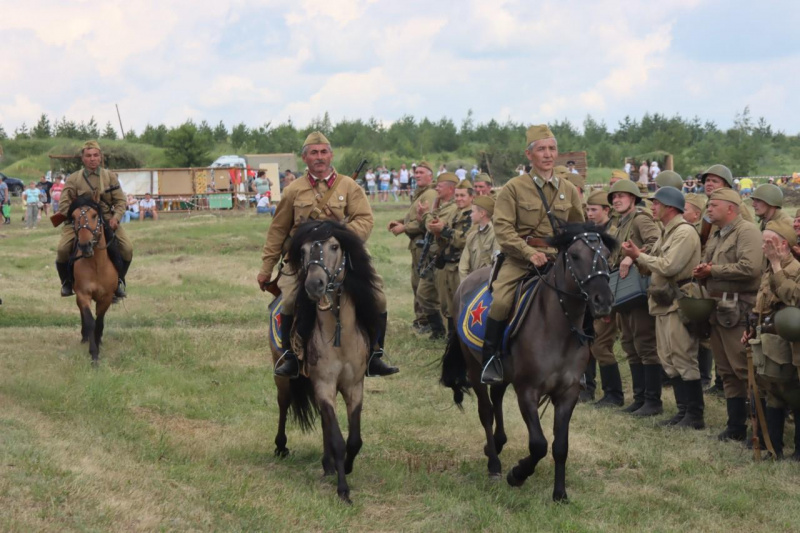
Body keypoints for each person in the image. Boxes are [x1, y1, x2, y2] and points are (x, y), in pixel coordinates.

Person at [257, 131, 397, 379]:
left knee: (378, 298)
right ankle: (290, 356)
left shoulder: (349, 186)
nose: (319, 157)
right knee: (288, 301)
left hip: (341, 260)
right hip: (303, 261)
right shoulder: (293, 191)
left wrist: (340, 235)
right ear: (305, 157)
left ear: (331, 155)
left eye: (323, 152)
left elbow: (365, 220)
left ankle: (375, 354)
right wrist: (267, 267)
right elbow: (277, 230)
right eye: (314, 153)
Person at [480, 125, 584, 385]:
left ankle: (580, 361)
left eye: (552, 149)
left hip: (557, 260)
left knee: (585, 297)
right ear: (529, 155)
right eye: (541, 149)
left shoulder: (568, 189)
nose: (548, 154)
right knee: (501, 301)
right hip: (519, 259)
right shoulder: (513, 188)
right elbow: (503, 230)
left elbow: (578, 228)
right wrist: (529, 253)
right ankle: (491, 360)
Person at [624, 186, 705, 429]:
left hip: (679, 300)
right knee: (668, 358)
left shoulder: (684, 233)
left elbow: (669, 267)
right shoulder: (667, 231)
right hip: (664, 301)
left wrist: (639, 255)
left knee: (683, 356)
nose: (653, 208)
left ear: (670, 207)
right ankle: (683, 412)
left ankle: (695, 415)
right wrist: (639, 257)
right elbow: (654, 264)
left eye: (656, 204)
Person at [692, 188, 762, 441]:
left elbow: (751, 268)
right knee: (727, 371)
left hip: (740, 310)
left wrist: (713, 271)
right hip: (719, 310)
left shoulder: (747, 232)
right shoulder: (718, 234)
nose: (708, 209)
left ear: (730, 208)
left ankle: (761, 429)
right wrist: (703, 270)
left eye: (713, 205)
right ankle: (735, 428)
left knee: (745, 370)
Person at [607, 179, 663, 415]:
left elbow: (656, 242)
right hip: (622, 292)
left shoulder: (640, 219)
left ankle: (653, 401)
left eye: (622, 195)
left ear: (633, 199)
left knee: (645, 343)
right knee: (630, 344)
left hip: (638, 290)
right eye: (614, 197)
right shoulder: (619, 224)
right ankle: (639, 398)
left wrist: (634, 257)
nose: (617, 200)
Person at [747, 219, 800, 460]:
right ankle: (773, 447)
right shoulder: (769, 270)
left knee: (794, 393)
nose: (764, 248)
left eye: (769, 242)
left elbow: (791, 298)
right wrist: (751, 330)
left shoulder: (795, 270)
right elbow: (762, 306)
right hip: (769, 343)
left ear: (784, 245)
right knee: (772, 392)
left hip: (791, 344)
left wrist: (777, 265)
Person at [55, 140, 132, 299]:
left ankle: (118, 281)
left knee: (127, 249)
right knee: (62, 250)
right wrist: (75, 215)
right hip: (79, 221)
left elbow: (120, 201)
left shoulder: (109, 177)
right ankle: (67, 282)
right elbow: (63, 203)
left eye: (96, 155)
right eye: (88, 155)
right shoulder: (74, 179)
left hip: (106, 219)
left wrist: (116, 218)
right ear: (82, 158)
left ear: (100, 157)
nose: (92, 159)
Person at [580, 189, 624, 407]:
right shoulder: (589, 234)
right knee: (589, 341)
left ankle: (613, 394)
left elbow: (610, 264)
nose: (589, 213)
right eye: (587, 209)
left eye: (594, 209)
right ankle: (588, 388)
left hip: (608, 292)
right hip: (591, 294)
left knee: (600, 343)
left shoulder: (613, 233)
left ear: (606, 210)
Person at [388, 161, 439, 333]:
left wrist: (404, 228)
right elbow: (414, 217)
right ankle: (421, 320)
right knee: (416, 282)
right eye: (416, 173)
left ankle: (426, 321)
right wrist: (401, 221)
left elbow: (427, 221)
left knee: (422, 283)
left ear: (431, 176)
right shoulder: (420, 194)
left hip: (424, 244)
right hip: (416, 245)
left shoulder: (430, 194)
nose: (417, 175)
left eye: (422, 172)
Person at [431, 178, 473, 340]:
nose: (459, 199)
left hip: (459, 265)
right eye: (457, 195)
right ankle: (451, 337)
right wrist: (438, 232)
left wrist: (445, 230)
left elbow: (463, 239)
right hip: (446, 263)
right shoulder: (454, 212)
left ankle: (461, 339)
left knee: (460, 303)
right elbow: (444, 237)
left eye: (463, 196)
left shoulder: (471, 214)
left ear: (471, 197)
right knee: (446, 304)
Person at [422, 173, 461, 340]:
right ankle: (439, 331)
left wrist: (426, 214)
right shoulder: (441, 205)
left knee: (448, 301)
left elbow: (432, 227)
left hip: (446, 258)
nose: (436, 188)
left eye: (440, 185)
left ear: (451, 188)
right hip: (435, 258)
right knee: (424, 294)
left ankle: (448, 334)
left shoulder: (452, 208)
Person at [459, 195, 498, 281]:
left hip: (486, 284)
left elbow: (496, 264)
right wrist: (466, 285)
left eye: (473, 212)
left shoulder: (495, 236)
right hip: (472, 283)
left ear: (482, 214)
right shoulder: (472, 236)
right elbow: (463, 267)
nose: (470, 215)